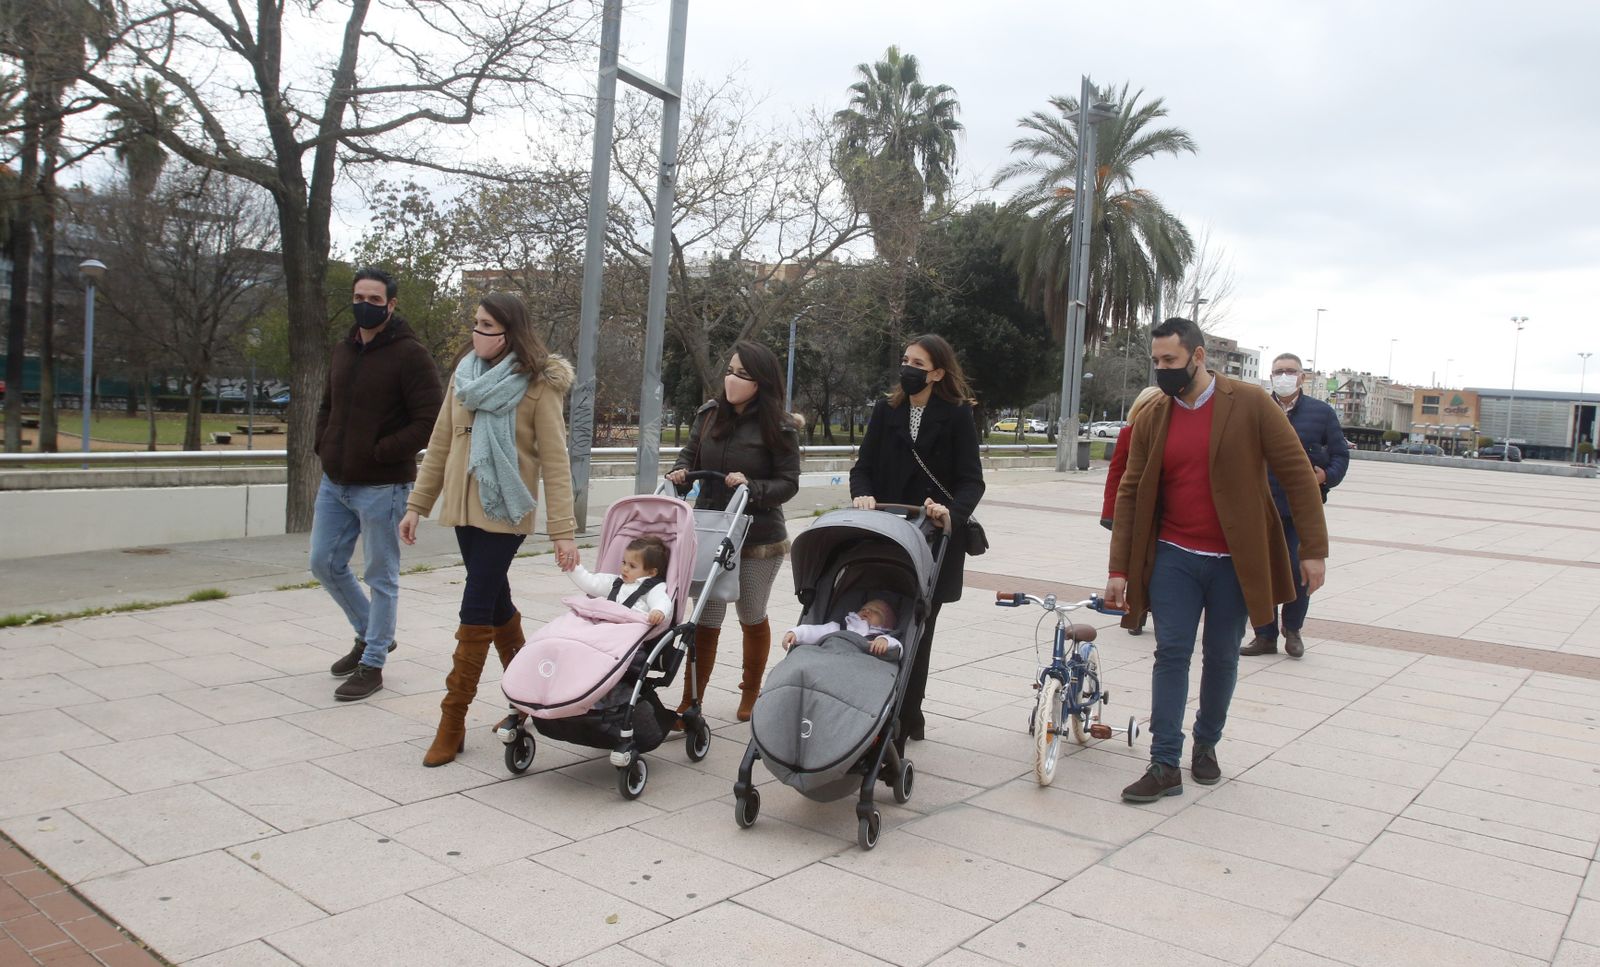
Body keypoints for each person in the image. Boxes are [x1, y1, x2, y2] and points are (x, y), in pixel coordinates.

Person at [1104, 317, 1328, 803]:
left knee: (1223, 655)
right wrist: (1118, 568)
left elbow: (1296, 474)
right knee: (1171, 653)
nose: (1162, 370)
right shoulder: (1154, 416)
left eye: (1171, 361)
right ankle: (1164, 761)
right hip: (1173, 556)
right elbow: (1129, 490)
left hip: (1232, 561)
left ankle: (1206, 745)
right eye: (1157, 361)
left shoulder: (1249, 404)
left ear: (1198, 357)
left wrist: (1312, 549)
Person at [400, 292, 579, 767]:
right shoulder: (464, 377)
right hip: (463, 508)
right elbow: (440, 443)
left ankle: (451, 718)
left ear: (509, 334)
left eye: (487, 326)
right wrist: (417, 503)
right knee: (496, 601)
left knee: (476, 603)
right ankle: (529, 701)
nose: (477, 333)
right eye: (475, 324)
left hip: (505, 510)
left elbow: (556, 463)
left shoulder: (538, 385)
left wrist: (563, 531)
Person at [313, 267, 443, 702]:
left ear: (391, 304)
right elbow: (327, 405)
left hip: (382, 486)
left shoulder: (411, 355)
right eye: (358, 297)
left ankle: (372, 664)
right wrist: (324, 445)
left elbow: (429, 421)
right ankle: (373, 634)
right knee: (324, 563)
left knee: (380, 576)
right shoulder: (343, 349)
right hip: (335, 481)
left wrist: (380, 451)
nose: (363, 305)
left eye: (373, 299)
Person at [849, 333, 986, 744]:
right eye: (905, 360)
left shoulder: (957, 414)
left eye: (918, 363)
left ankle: (909, 714)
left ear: (938, 372)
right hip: (886, 533)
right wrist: (862, 493)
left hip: (933, 538)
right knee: (877, 620)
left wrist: (950, 515)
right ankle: (870, 708)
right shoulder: (885, 409)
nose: (908, 369)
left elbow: (971, 481)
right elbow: (863, 466)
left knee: (918, 628)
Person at [666, 340, 801, 723]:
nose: (731, 379)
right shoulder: (709, 416)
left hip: (759, 538)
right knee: (704, 617)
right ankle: (691, 700)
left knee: (750, 611)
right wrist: (679, 474)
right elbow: (688, 455)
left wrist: (751, 486)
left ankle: (752, 691)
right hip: (710, 530)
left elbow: (789, 483)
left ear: (760, 381)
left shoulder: (779, 426)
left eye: (742, 374)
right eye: (730, 370)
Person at [1240, 352, 1349, 659]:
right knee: (1261, 571)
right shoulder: (1256, 408)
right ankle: (1264, 634)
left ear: (1302, 377)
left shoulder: (1321, 413)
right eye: (1278, 371)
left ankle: (1293, 629)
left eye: (1290, 371)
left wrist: (1326, 475)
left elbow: (1341, 454)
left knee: (1298, 570)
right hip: (1261, 506)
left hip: (1300, 509)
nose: (1283, 376)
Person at [1100, 386, 1166, 636]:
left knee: (1157, 566)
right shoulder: (1130, 433)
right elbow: (1116, 473)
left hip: (1160, 513)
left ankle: (1155, 610)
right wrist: (1110, 512)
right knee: (1133, 565)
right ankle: (1135, 613)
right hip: (1134, 512)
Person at [568, 536, 673, 625]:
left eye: (632, 566)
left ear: (651, 573)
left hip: (629, 629)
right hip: (605, 626)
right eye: (624, 562)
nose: (625, 568)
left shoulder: (652, 587)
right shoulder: (616, 583)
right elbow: (590, 583)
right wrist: (572, 567)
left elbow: (661, 599)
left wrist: (658, 610)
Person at [783, 598, 902, 660]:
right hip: (831, 656)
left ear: (886, 625)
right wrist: (796, 633)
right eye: (864, 609)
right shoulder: (840, 626)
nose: (867, 611)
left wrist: (885, 642)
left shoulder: (881, 638)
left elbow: (897, 648)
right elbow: (816, 631)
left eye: (876, 611)